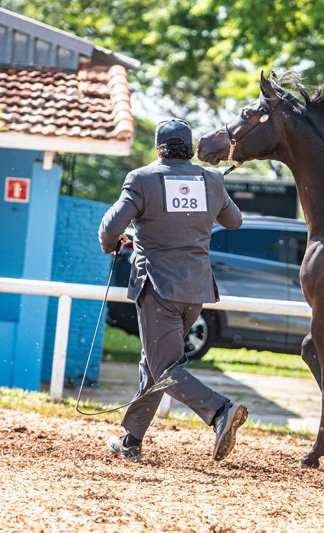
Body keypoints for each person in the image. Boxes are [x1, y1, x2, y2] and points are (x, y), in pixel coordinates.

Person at [99, 118, 246, 462]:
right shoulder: (211, 179)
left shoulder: (142, 179)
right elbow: (234, 221)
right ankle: (131, 440)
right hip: (195, 290)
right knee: (154, 363)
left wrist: (117, 241)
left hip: (158, 288)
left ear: (158, 148)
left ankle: (220, 411)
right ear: (191, 148)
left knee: (164, 368)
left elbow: (109, 230)